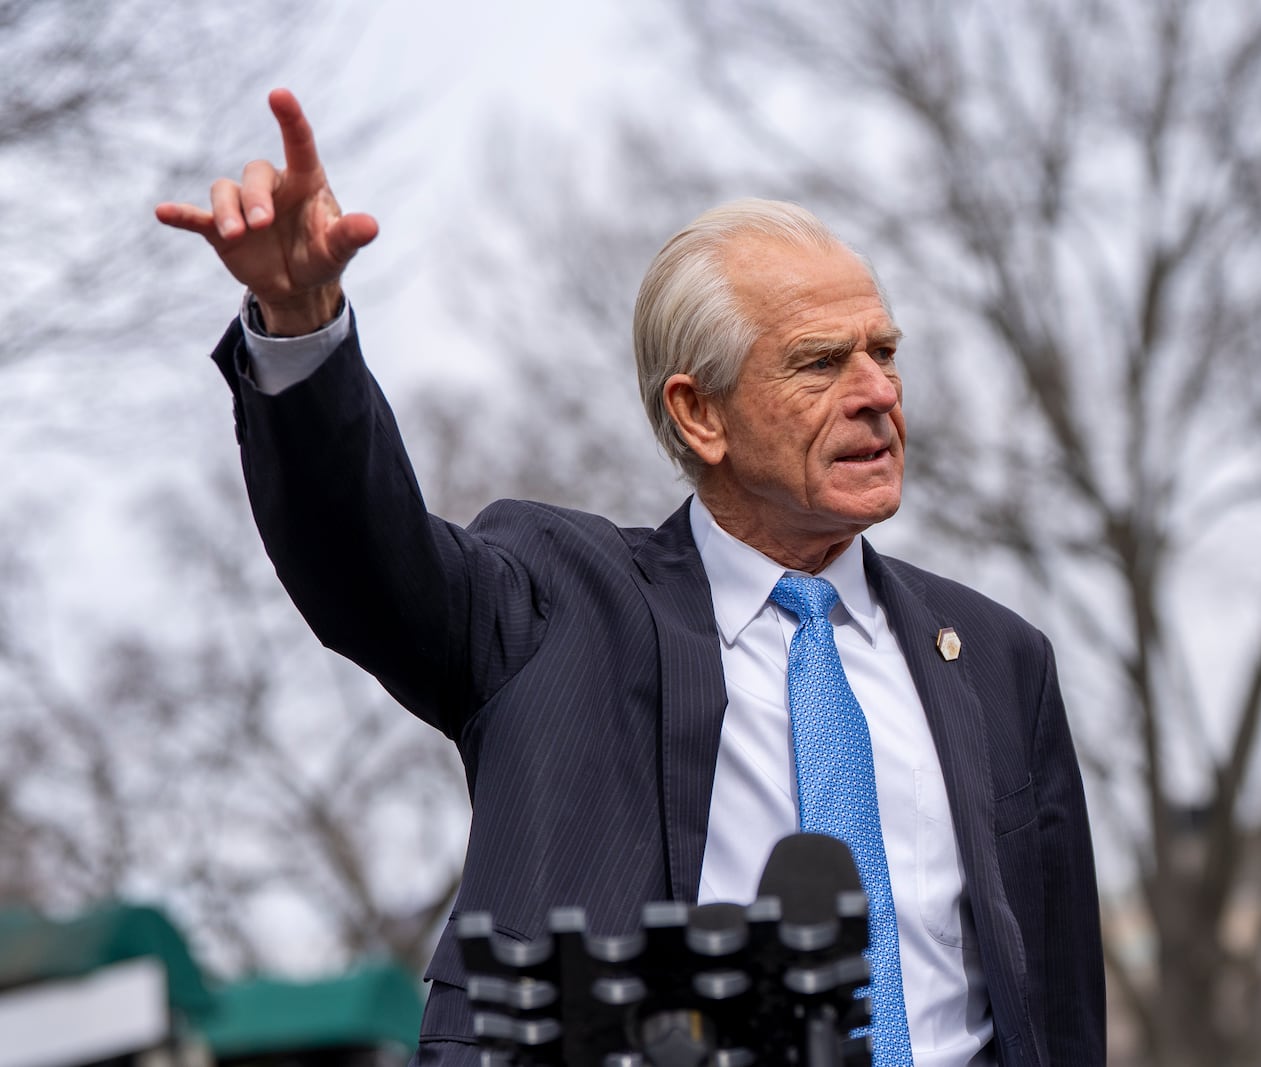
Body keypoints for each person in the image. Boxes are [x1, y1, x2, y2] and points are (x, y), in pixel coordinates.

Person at [157, 90, 1105, 1067]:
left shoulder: (997, 659)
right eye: (821, 364)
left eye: (885, 352)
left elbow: (1059, 1005)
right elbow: (363, 562)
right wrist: (302, 325)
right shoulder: (554, 607)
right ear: (700, 414)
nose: (877, 393)